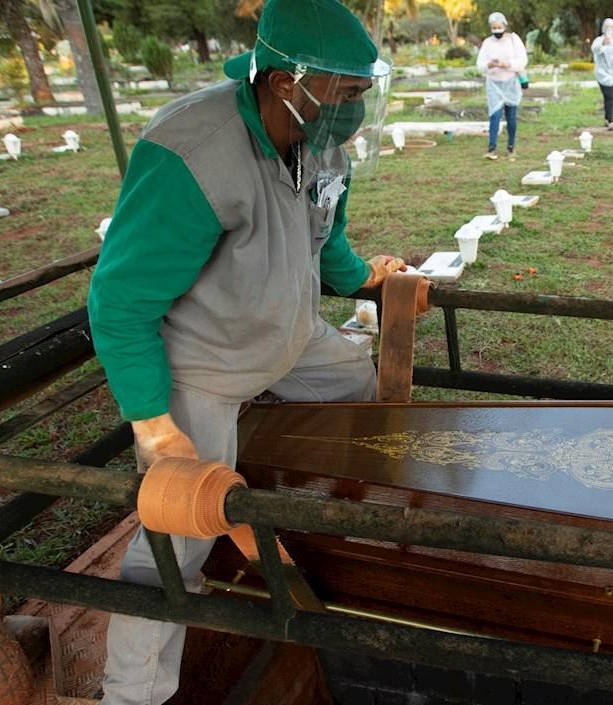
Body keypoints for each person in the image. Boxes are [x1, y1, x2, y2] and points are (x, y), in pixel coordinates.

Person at [87, 1, 406, 703]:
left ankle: (307, 526)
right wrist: (151, 420)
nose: (354, 111)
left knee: (356, 379)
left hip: (285, 334)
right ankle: (130, 690)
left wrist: (365, 279)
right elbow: (119, 301)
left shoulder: (318, 137)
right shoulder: (193, 155)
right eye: (346, 94)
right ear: (287, 82)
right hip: (202, 362)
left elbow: (328, 238)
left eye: (361, 94)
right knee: (178, 530)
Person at [476, 11, 528, 161]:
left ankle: (511, 147)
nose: (497, 30)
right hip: (494, 84)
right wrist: (489, 65)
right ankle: (491, 148)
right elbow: (480, 64)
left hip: (511, 82)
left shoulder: (513, 39)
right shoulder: (488, 43)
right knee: (495, 115)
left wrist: (508, 64)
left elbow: (522, 60)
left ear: (504, 25)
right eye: (494, 27)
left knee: (511, 116)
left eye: (499, 26)